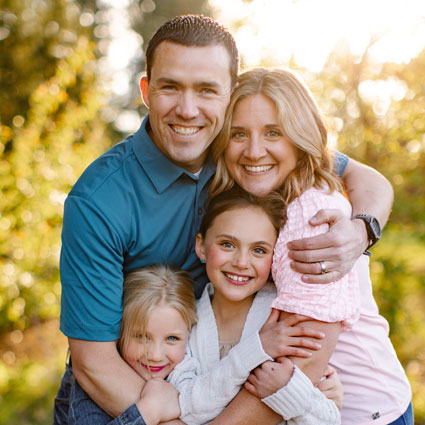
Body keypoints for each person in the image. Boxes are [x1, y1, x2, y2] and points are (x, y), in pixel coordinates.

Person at [54, 14, 394, 422]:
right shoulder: (99, 200)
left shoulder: (244, 154)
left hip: (213, 376)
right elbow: (94, 363)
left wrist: (361, 230)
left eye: (206, 90)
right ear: (146, 90)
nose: (188, 109)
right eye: (170, 87)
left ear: (229, 95)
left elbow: (362, 176)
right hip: (128, 384)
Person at [209, 67, 413, 425]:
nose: (254, 151)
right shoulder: (268, 197)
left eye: (274, 132)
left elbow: (304, 356)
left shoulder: (310, 214)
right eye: (239, 134)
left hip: (362, 412)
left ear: (299, 137)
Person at [168, 186, 342, 425]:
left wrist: (288, 389)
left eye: (259, 250)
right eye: (227, 244)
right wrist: (256, 350)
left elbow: (329, 420)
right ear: (201, 246)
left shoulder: (287, 319)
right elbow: (187, 406)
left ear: (275, 257)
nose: (241, 262)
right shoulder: (182, 321)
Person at [58, 265, 197, 425]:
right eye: (142, 337)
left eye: (172, 338)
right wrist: (147, 412)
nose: (156, 356)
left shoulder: (192, 373)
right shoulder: (95, 389)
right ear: (120, 334)